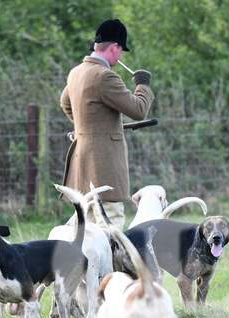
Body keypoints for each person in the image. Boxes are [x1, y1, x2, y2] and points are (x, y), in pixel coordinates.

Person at [60, 19, 154, 230]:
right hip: (104, 167)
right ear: (114, 47)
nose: (120, 56)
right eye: (121, 50)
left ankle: (68, 259)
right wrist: (143, 85)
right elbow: (139, 110)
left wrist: (87, 130)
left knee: (84, 224)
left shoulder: (76, 72)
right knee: (109, 224)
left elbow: (65, 102)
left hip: (83, 165)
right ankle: (107, 265)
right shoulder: (104, 76)